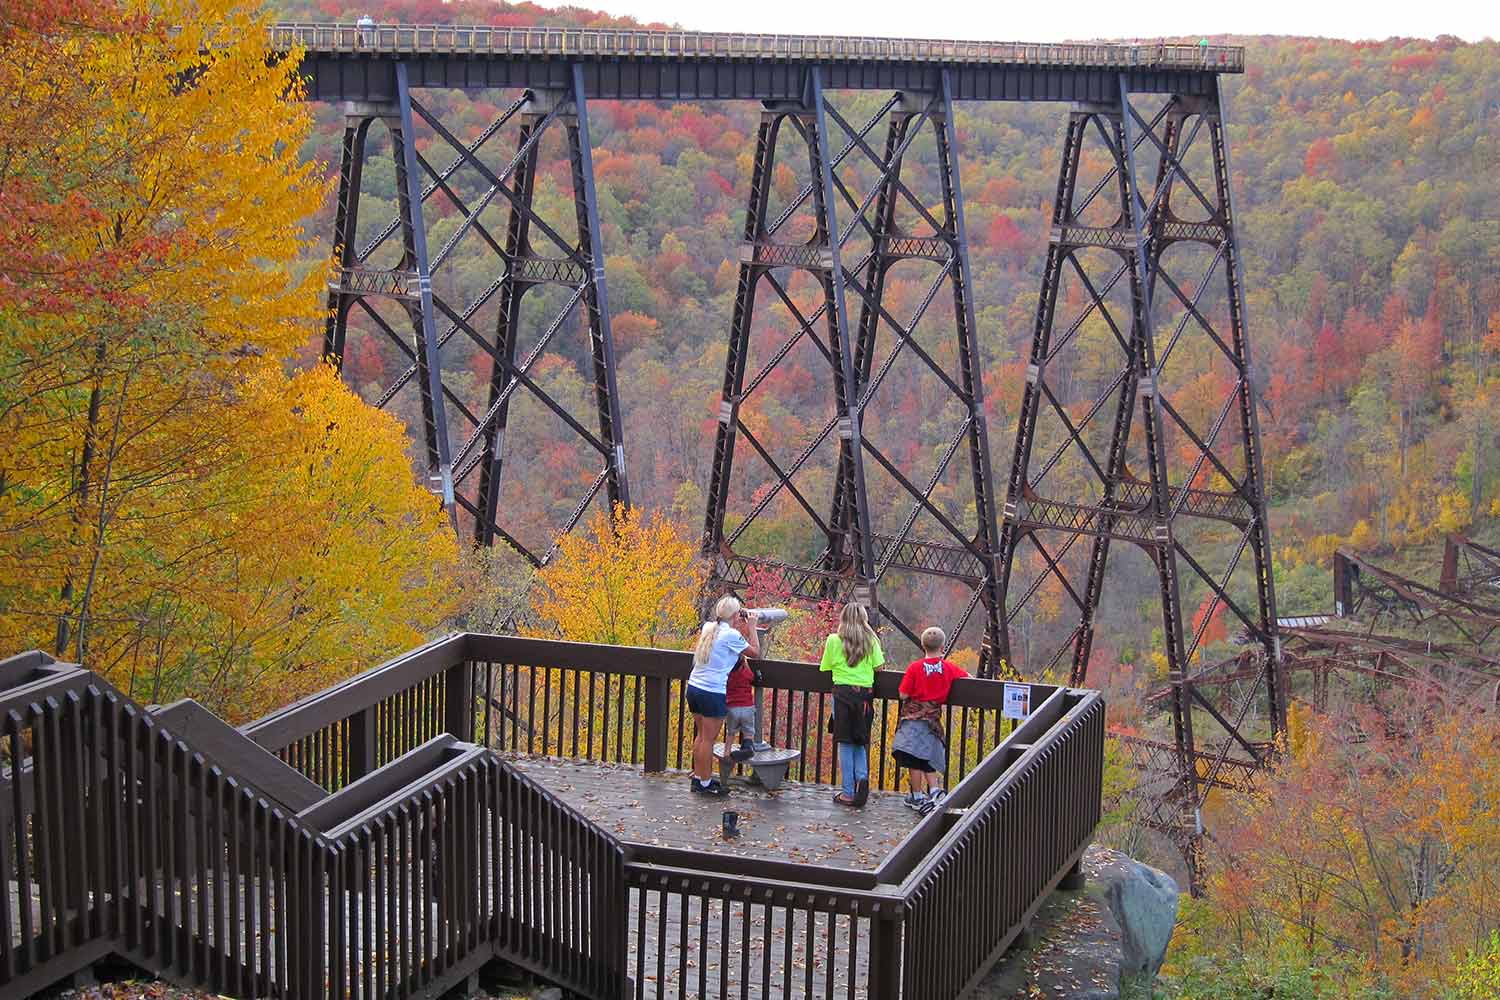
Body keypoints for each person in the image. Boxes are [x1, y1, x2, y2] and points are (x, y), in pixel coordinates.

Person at [687, 596, 759, 796]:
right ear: (736, 615)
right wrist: (752, 626)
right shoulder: (731, 636)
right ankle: (705, 783)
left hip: (694, 688)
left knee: (701, 737)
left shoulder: (709, 627)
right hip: (712, 692)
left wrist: (738, 623)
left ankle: (699, 779)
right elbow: (755, 652)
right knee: (708, 740)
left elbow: (728, 644)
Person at [892, 626, 967, 815]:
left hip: (913, 718)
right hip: (932, 720)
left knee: (913, 757)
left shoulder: (915, 668)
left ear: (922, 645)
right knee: (927, 755)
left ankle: (917, 796)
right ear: (942, 647)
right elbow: (968, 679)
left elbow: (902, 694)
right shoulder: (948, 668)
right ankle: (934, 791)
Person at [819, 603, 883, 808]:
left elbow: (825, 667)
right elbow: (879, 667)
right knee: (859, 739)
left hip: (843, 695)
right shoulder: (871, 640)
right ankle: (862, 780)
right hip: (864, 696)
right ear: (864, 619)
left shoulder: (833, 640)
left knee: (845, 743)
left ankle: (848, 792)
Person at [724, 652, 758, 763]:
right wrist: (745, 662)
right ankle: (748, 748)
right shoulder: (745, 673)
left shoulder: (727, 674)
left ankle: (727, 753)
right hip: (747, 707)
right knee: (748, 732)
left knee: (731, 732)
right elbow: (752, 677)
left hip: (732, 707)